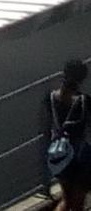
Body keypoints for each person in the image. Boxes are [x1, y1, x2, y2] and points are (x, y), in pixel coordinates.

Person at [49, 59, 91, 209]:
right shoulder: (84, 101)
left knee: (67, 201)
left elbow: (46, 129)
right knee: (78, 201)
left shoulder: (51, 98)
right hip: (80, 157)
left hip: (59, 155)